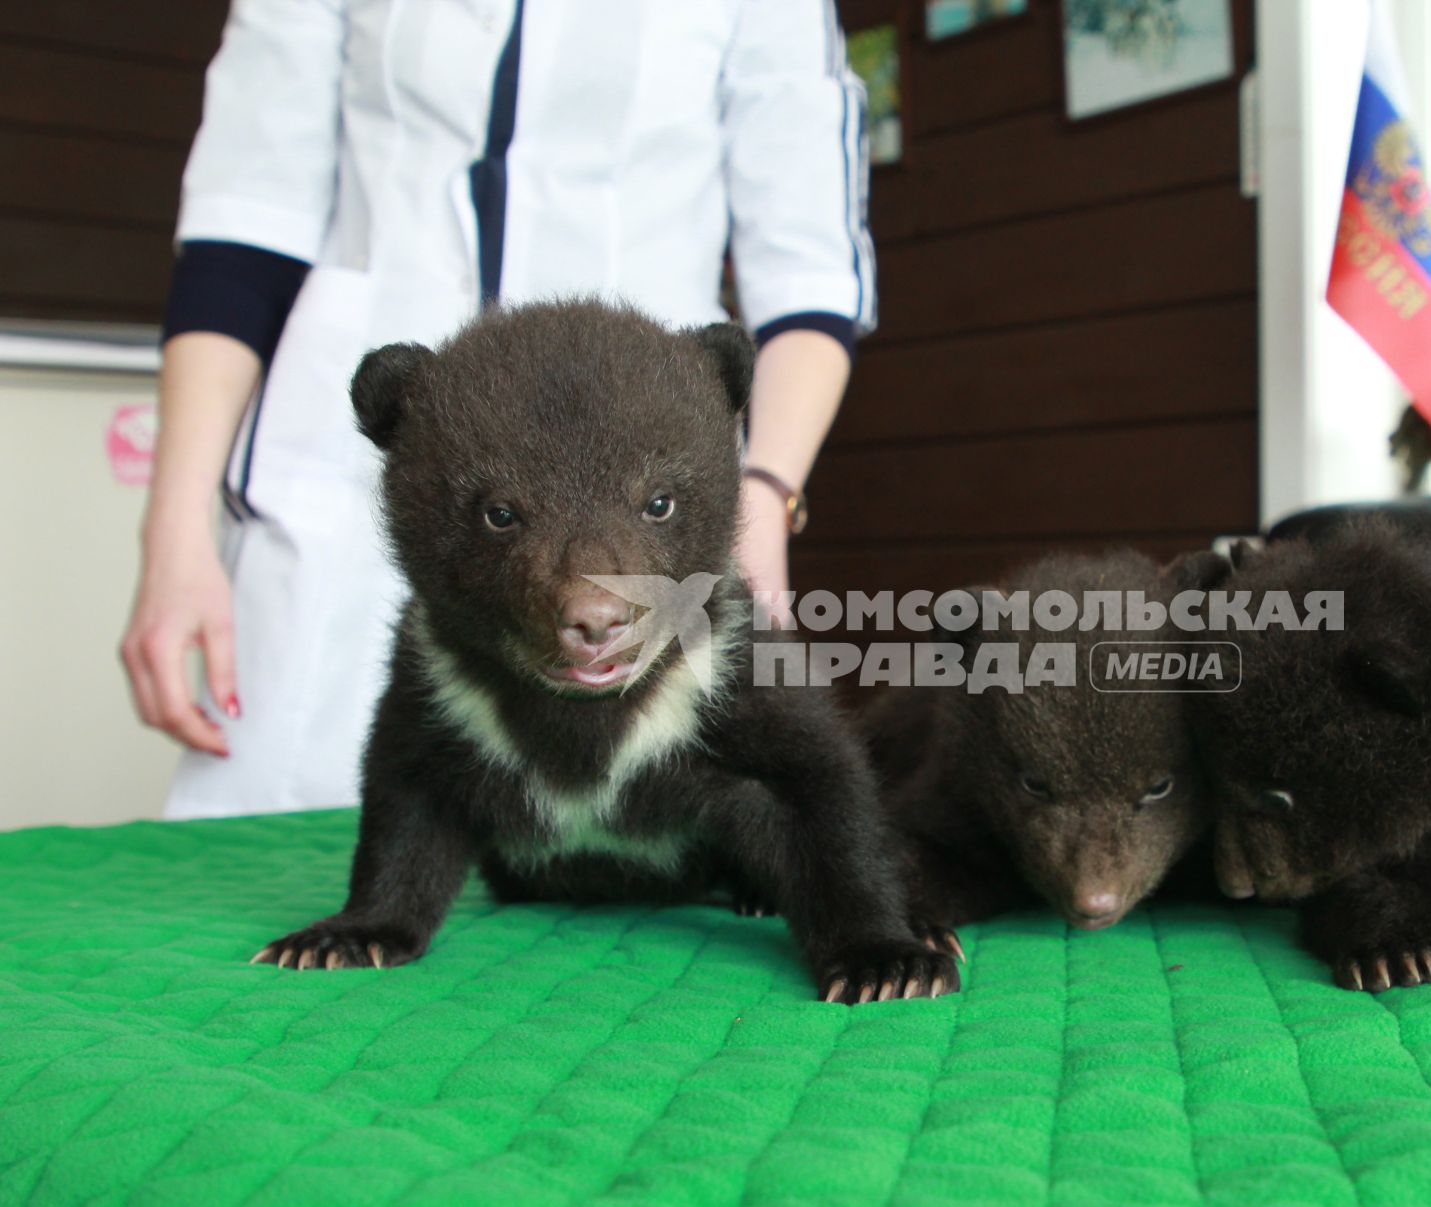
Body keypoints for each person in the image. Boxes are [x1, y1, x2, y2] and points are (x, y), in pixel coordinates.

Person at [120, 0, 875, 819]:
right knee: (273, 840)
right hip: (352, 488)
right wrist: (174, 526)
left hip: (642, 476)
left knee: (655, 846)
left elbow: (807, 273)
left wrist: (763, 492)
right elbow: (244, 235)